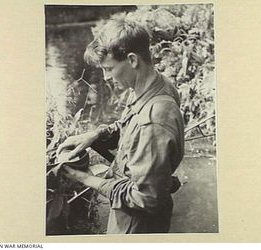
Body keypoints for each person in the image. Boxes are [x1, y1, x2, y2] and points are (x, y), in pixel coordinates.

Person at [57, 18, 184, 234]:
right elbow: (129, 125)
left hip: (136, 226)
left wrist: (85, 178)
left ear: (132, 60)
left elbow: (145, 199)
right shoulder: (154, 85)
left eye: (109, 69)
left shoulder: (154, 120)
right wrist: (96, 135)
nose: (106, 77)